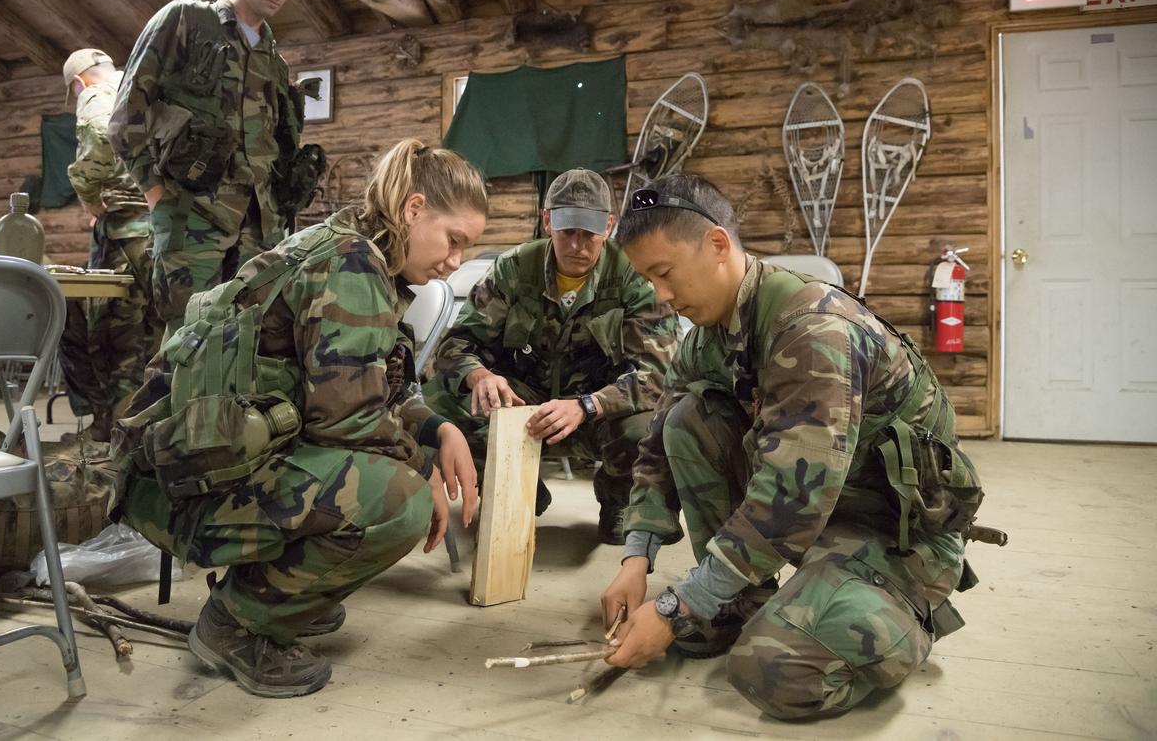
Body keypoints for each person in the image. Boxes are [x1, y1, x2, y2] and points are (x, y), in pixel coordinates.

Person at [110, 139, 488, 698]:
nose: (455, 262)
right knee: (398, 501)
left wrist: (438, 428)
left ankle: (272, 593)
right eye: (453, 240)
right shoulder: (352, 264)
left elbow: (376, 385)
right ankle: (237, 625)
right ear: (412, 209)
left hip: (192, 465)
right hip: (180, 486)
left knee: (390, 475)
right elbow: (348, 423)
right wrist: (423, 464)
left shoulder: (360, 253)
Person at [599, 175, 987, 720]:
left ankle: (903, 616)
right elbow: (659, 449)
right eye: (647, 279)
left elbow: (791, 499)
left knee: (771, 672)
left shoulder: (813, 330)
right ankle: (739, 598)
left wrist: (673, 606)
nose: (661, 296)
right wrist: (635, 557)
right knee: (688, 418)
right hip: (815, 519)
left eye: (664, 273)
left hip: (894, 533)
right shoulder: (707, 337)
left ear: (716, 244)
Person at [424, 168, 680, 544]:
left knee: (653, 427)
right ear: (547, 222)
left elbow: (658, 376)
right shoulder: (514, 269)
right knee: (437, 401)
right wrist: (479, 375)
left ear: (609, 226)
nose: (578, 245)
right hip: (523, 407)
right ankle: (514, 482)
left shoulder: (634, 278)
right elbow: (452, 347)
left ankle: (618, 498)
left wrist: (587, 406)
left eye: (589, 233)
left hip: (598, 415)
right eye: (567, 232)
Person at [109, 0, 317, 333]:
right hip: (192, 217)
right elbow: (126, 113)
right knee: (186, 342)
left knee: (246, 342)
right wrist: (155, 192)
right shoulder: (187, 20)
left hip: (258, 229)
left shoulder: (275, 63)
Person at [58, 48, 158, 440]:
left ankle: (112, 432)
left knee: (112, 335)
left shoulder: (96, 94)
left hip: (123, 230)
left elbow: (100, 135)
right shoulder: (145, 90)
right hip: (162, 229)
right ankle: (146, 431)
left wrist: (87, 191)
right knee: (151, 331)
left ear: (79, 82)